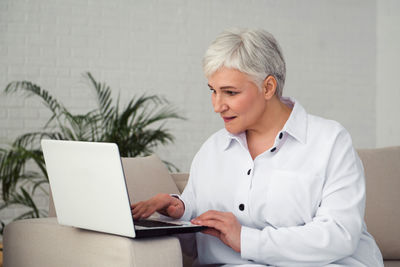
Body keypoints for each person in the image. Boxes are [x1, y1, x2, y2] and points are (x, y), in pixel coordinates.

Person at [131, 28, 384, 267]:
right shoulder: (213, 150)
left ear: (268, 87)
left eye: (230, 92)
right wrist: (177, 211)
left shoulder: (330, 141)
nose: (217, 105)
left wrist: (246, 239)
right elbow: (197, 231)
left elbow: (340, 234)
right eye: (213, 91)